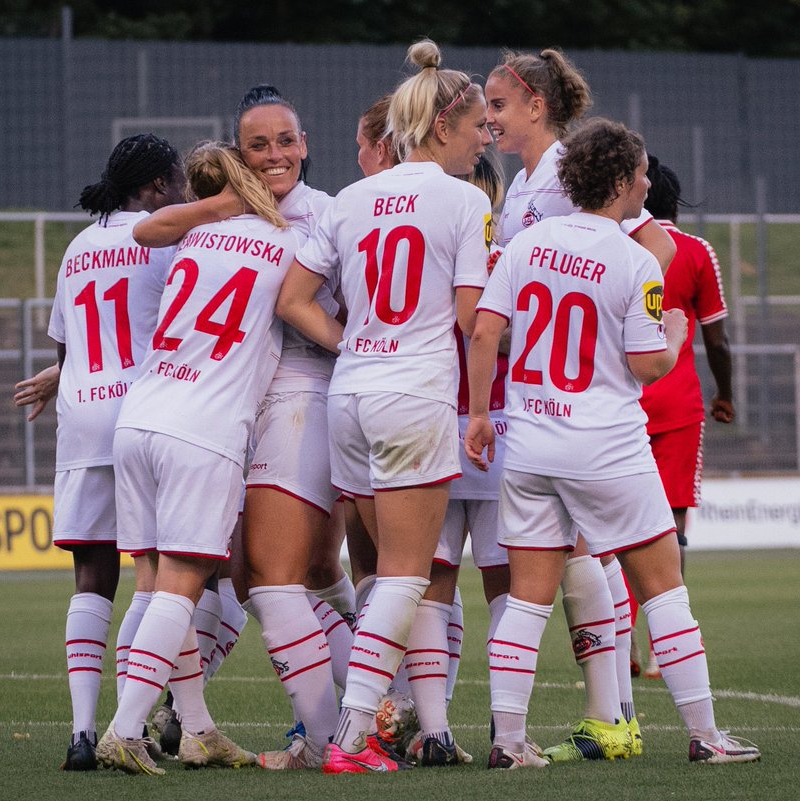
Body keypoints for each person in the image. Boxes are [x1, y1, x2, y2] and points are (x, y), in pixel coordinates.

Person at [466, 117, 761, 768]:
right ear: (623, 181)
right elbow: (647, 365)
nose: (649, 184)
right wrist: (677, 337)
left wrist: (482, 415)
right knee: (665, 588)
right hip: (605, 445)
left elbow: (485, 332)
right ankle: (707, 735)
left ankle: (508, 742)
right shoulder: (636, 259)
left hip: (531, 442)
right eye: (643, 174)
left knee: (527, 599)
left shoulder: (527, 244)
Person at [276, 38, 492, 774]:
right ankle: (352, 734)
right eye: (476, 127)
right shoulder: (465, 200)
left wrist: (353, 342)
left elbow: (293, 299)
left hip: (350, 394)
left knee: (389, 573)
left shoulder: (350, 199)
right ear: (442, 125)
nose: (484, 139)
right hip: (413, 395)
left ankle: (403, 726)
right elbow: (471, 318)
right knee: (406, 573)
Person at [134, 87, 356, 771]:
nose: (274, 155)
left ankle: (345, 727)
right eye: (258, 145)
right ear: (239, 154)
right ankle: (200, 713)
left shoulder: (328, 212)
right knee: (244, 574)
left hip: (300, 398)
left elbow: (355, 303)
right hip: (233, 409)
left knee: (277, 576)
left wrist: (360, 352)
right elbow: (150, 234)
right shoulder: (224, 217)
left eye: (285, 140)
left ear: (305, 144)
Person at [95, 141, 298, 775]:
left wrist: (216, 205)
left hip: (141, 416)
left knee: (155, 586)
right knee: (182, 589)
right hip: (203, 428)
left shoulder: (189, 237)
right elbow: (301, 306)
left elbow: (146, 228)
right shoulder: (285, 241)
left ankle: (198, 728)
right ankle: (125, 729)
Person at [484, 47, 664, 763]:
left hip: (569, 404)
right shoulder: (523, 182)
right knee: (576, 554)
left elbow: (654, 246)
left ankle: (611, 711)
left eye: (499, 105)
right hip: (539, 399)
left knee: (582, 554)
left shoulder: (565, 170)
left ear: (537, 106)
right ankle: (610, 712)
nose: (489, 119)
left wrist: (610, 335)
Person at [14, 133, 185, 772]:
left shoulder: (77, 247)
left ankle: (82, 733)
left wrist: (60, 378)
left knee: (92, 576)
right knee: (162, 573)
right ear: (156, 187)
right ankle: (131, 723)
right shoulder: (164, 240)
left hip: (83, 419)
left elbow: (70, 351)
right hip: (144, 416)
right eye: (178, 181)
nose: (184, 192)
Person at [636, 153, 734, 678]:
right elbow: (716, 339)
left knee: (615, 523)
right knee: (670, 525)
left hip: (622, 400)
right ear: (674, 201)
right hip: (677, 403)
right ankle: (663, 649)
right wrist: (726, 394)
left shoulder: (617, 246)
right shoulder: (696, 251)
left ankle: (620, 645)